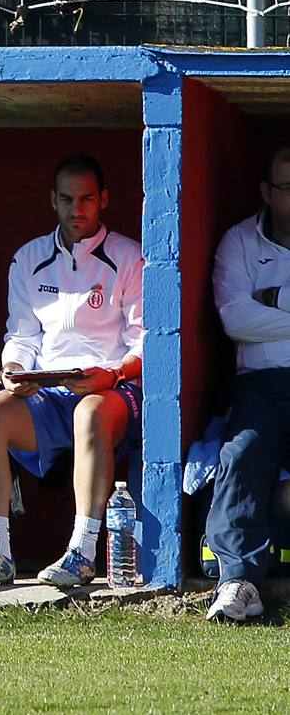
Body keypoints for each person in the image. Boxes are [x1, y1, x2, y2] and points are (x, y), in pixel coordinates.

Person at [0, 154, 144, 589]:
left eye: (86, 199)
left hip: (113, 390)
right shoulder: (28, 259)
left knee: (89, 413)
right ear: (52, 201)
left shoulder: (128, 256)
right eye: (66, 199)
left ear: (104, 200)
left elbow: (147, 340)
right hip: (49, 389)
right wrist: (14, 368)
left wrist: (112, 374)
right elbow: (21, 333)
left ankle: (81, 553)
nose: (76, 209)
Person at [203, 145, 290, 622]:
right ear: (266, 192)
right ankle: (239, 581)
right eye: (288, 188)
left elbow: (255, 313)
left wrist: (277, 298)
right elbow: (236, 319)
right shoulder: (240, 241)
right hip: (263, 383)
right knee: (242, 453)